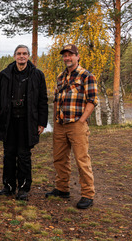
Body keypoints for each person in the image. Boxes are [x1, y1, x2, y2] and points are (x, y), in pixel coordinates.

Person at [46, 44, 98, 209]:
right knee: (59, 158)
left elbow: (93, 100)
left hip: (77, 124)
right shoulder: (61, 77)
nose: (67, 58)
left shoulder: (86, 76)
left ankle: (88, 194)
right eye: (65, 55)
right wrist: (54, 119)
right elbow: (56, 99)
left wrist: (82, 120)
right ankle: (62, 189)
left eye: (70, 55)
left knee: (82, 160)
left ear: (77, 56)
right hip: (60, 124)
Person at [0, 45, 48, 201]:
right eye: (19, 54)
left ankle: (24, 188)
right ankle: (8, 186)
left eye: (25, 54)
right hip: (9, 120)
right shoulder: (4, 75)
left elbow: (42, 100)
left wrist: (41, 122)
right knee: (9, 154)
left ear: (28, 56)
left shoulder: (37, 75)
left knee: (24, 155)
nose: (22, 56)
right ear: (14, 56)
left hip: (28, 121)